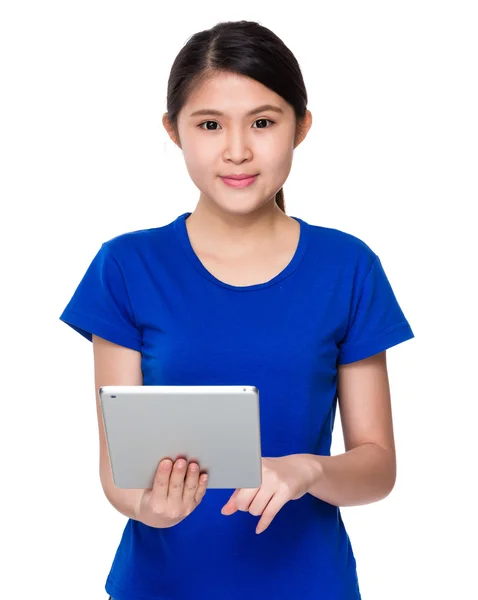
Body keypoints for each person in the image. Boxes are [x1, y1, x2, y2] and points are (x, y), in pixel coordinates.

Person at [59, 19, 414, 600]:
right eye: (209, 125)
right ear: (174, 131)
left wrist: (310, 470)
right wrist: (149, 506)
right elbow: (116, 473)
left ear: (301, 126)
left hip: (310, 585)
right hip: (160, 585)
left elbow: (377, 466)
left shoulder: (348, 266)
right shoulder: (126, 266)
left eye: (263, 122)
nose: (237, 150)